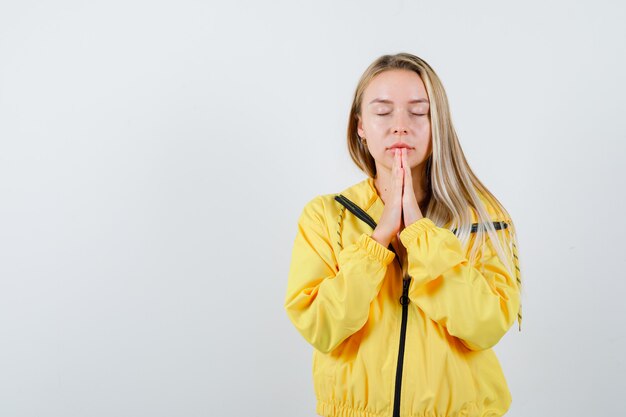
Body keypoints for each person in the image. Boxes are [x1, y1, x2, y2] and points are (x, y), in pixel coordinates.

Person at [284, 52, 523, 417]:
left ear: (437, 123)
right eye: (383, 112)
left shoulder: (484, 218)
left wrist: (421, 236)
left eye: (418, 111)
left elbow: (485, 325)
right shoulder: (325, 216)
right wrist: (377, 242)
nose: (400, 125)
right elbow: (321, 327)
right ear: (360, 125)